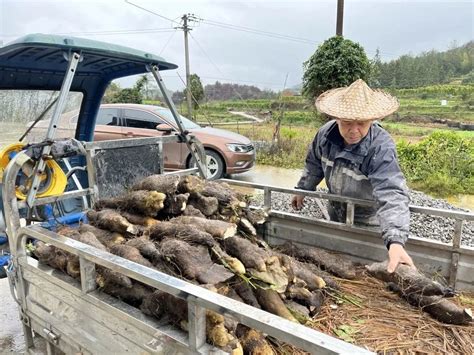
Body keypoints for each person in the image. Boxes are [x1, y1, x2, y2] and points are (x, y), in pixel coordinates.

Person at [291, 79, 414, 273]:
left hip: (367, 219)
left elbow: (391, 191)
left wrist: (395, 241)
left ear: (372, 120)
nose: (354, 130)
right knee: (335, 261)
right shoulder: (324, 135)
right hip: (336, 209)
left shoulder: (380, 147)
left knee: (364, 270)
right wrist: (302, 189)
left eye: (362, 123)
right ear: (337, 118)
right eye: (347, 123)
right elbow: (314, 164)